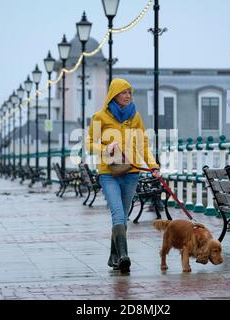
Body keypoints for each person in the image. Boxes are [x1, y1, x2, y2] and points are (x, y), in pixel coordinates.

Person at [86, 78, 160, 273]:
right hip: (108, 173)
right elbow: (89, 143)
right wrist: (105, 147)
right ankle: (124, 256)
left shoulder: (134, 116)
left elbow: (143, 143)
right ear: (113, 94)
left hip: (131, 172)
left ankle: (114, 257)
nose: (128, 96)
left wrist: (153, 165)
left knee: (124, 215)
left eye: (130, 92)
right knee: (118, 213)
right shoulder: (99, 117)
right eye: (124, 92)